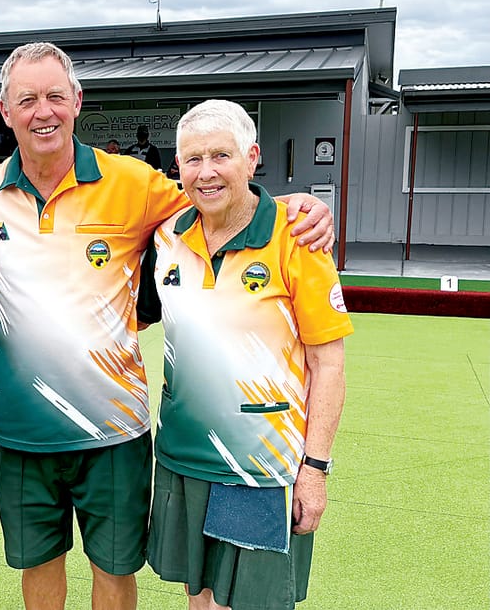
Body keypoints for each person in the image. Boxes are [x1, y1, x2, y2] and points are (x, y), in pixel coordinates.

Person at [0, 42, 335, 610]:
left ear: (77, 100)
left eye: (55, 96)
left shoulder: (134, 182)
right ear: (6, 111)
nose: (43, 111)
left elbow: (217, 198)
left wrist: (295, 204)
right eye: (27, 100)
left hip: (115, 429)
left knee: (115, 569)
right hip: (22, 428)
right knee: (39, 567)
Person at [144, 99, 352, 610]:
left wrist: (314, 470)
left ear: (252, 157)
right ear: (178, 166)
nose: (206, 172)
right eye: (193, 159)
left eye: (222, 156)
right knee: (199, 592)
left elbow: (329, 364)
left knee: (254, 602)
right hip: (183, 456)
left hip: (261, 465)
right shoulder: (167, 236)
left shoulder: (298, 238)